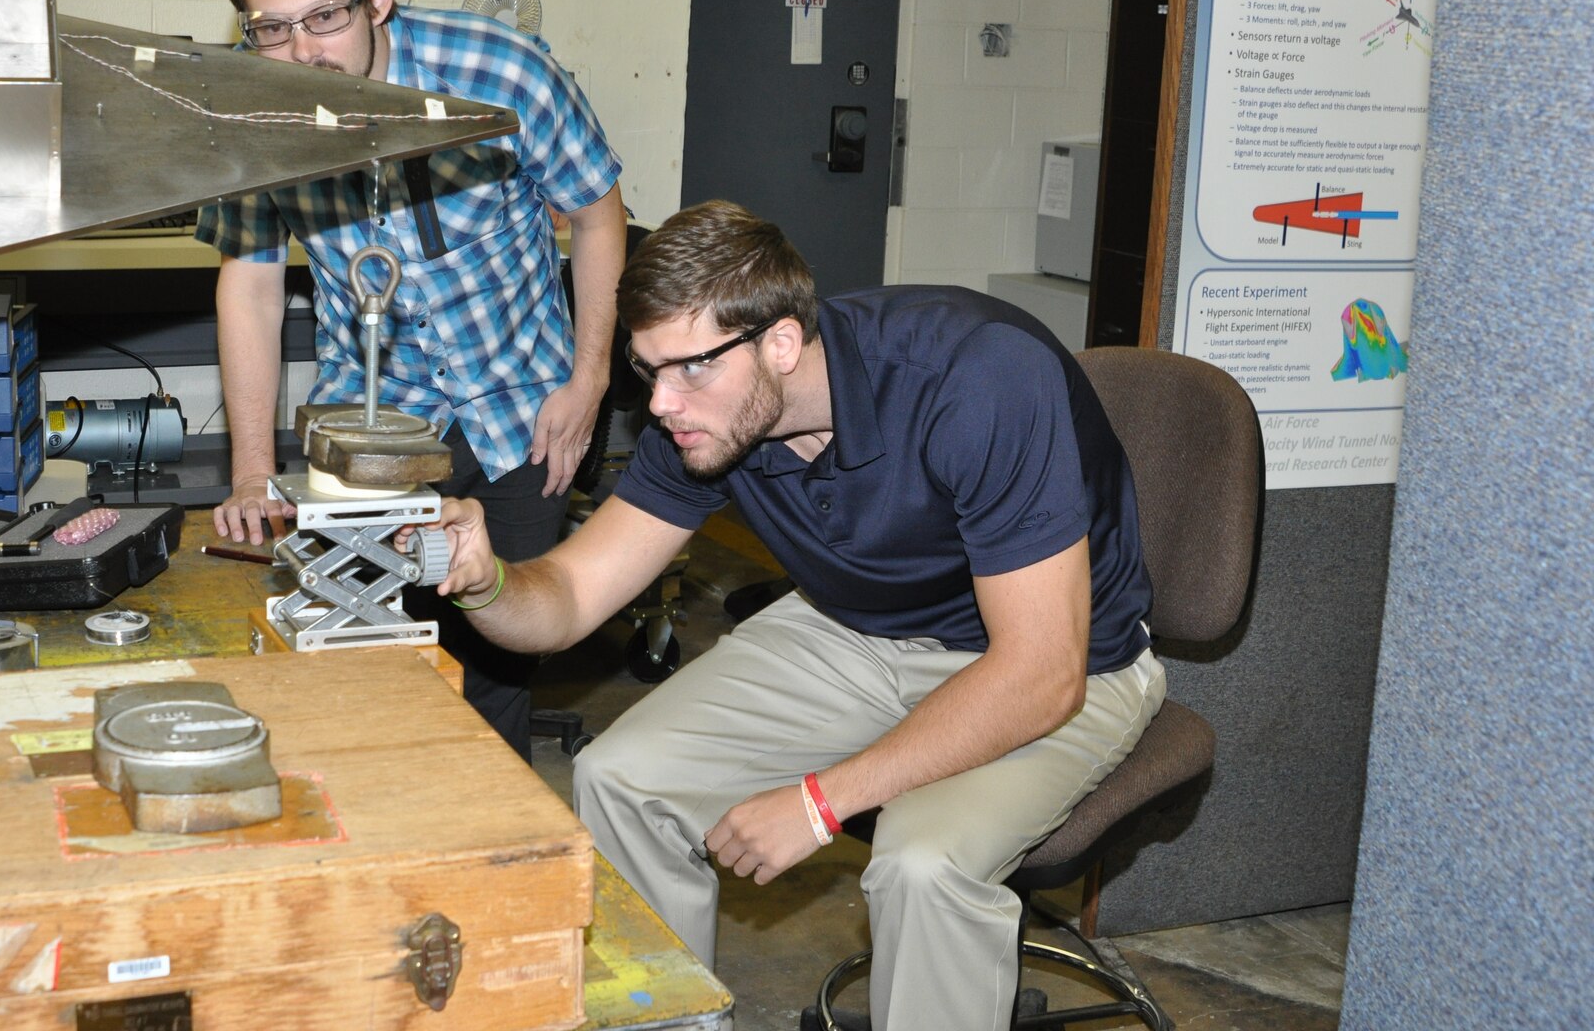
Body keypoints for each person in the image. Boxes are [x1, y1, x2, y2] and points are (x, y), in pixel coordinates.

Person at [421, 200, 1165, 1031]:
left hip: (1061, 663)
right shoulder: (705, 421)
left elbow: (1041, 672)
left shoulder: (977, 377)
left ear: (780, 341)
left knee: (923, 865)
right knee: (619, 779)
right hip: (855, 629)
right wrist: (486, 581)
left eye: (689, 369)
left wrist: (819, 802)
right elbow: (564, 602)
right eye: (646, 371)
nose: (661, 406)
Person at [196, 0, 627, 760]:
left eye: (324, 16)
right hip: (372, 422)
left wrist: (588, 383)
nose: (301, 51)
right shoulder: (251, 111)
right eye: (270, 29)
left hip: (522, 414)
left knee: (493, 666)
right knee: (355, 655)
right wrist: (251, 474)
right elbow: (247, 284)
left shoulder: (499, 71)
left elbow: (598, 213)